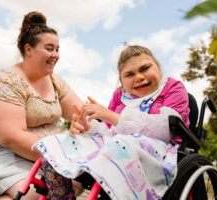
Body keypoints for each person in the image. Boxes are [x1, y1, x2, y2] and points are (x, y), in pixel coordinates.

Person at [33, 45, 190, 200]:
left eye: (145, 68)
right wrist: (87, 127)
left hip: (159, 151)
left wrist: (113, 117)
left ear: (158, 67)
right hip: (117, 145)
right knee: (55, 143)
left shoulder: (173, 87)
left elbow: (166, 129)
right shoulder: (120, 96)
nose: (139, 77)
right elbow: (108, 131)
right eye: (129, 74)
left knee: (119, 145)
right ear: (122, 80)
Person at [0, 11, 85, 200]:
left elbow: (81, 111)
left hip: (39, 156)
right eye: (49, 48)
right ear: (28, 49)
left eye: (57, 49)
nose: (55, 55)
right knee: (38, 194)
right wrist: (59, 157)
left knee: (75, 184)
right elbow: (11, 138)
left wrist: (90, 120)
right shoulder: (7, 80)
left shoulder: (55, 82)